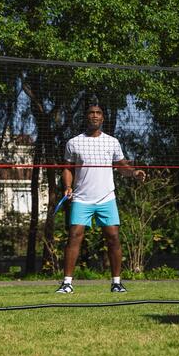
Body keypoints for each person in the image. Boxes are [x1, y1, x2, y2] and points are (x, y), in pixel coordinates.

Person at [55, 98, 145, 294]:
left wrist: (134, 172)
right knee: (74, 236)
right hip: (81, 198)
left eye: (98, 113)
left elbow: (122, 166)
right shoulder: (74, 142)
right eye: (91, 112)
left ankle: (116, 283)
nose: (94, 115)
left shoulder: (112, 142)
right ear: (86, 117)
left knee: (113, 238)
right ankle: (67, 283)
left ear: (102, 118)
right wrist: (68, 186)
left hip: (106, 198)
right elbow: (67, 168)